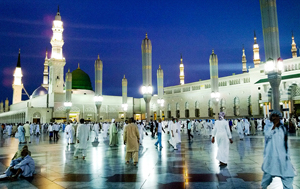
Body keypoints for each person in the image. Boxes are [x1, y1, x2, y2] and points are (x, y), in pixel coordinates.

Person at [261, 111, 296, 189]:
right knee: (267, 177)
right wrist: (274, 126)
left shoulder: (282, 128)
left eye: (277, 116)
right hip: (271, 156)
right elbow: (267, 135)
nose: (275, 118)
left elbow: (285, 143)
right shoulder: (268, 126)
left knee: (288, 176)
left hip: (283, 157)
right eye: (273, 116)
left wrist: (287, 155)